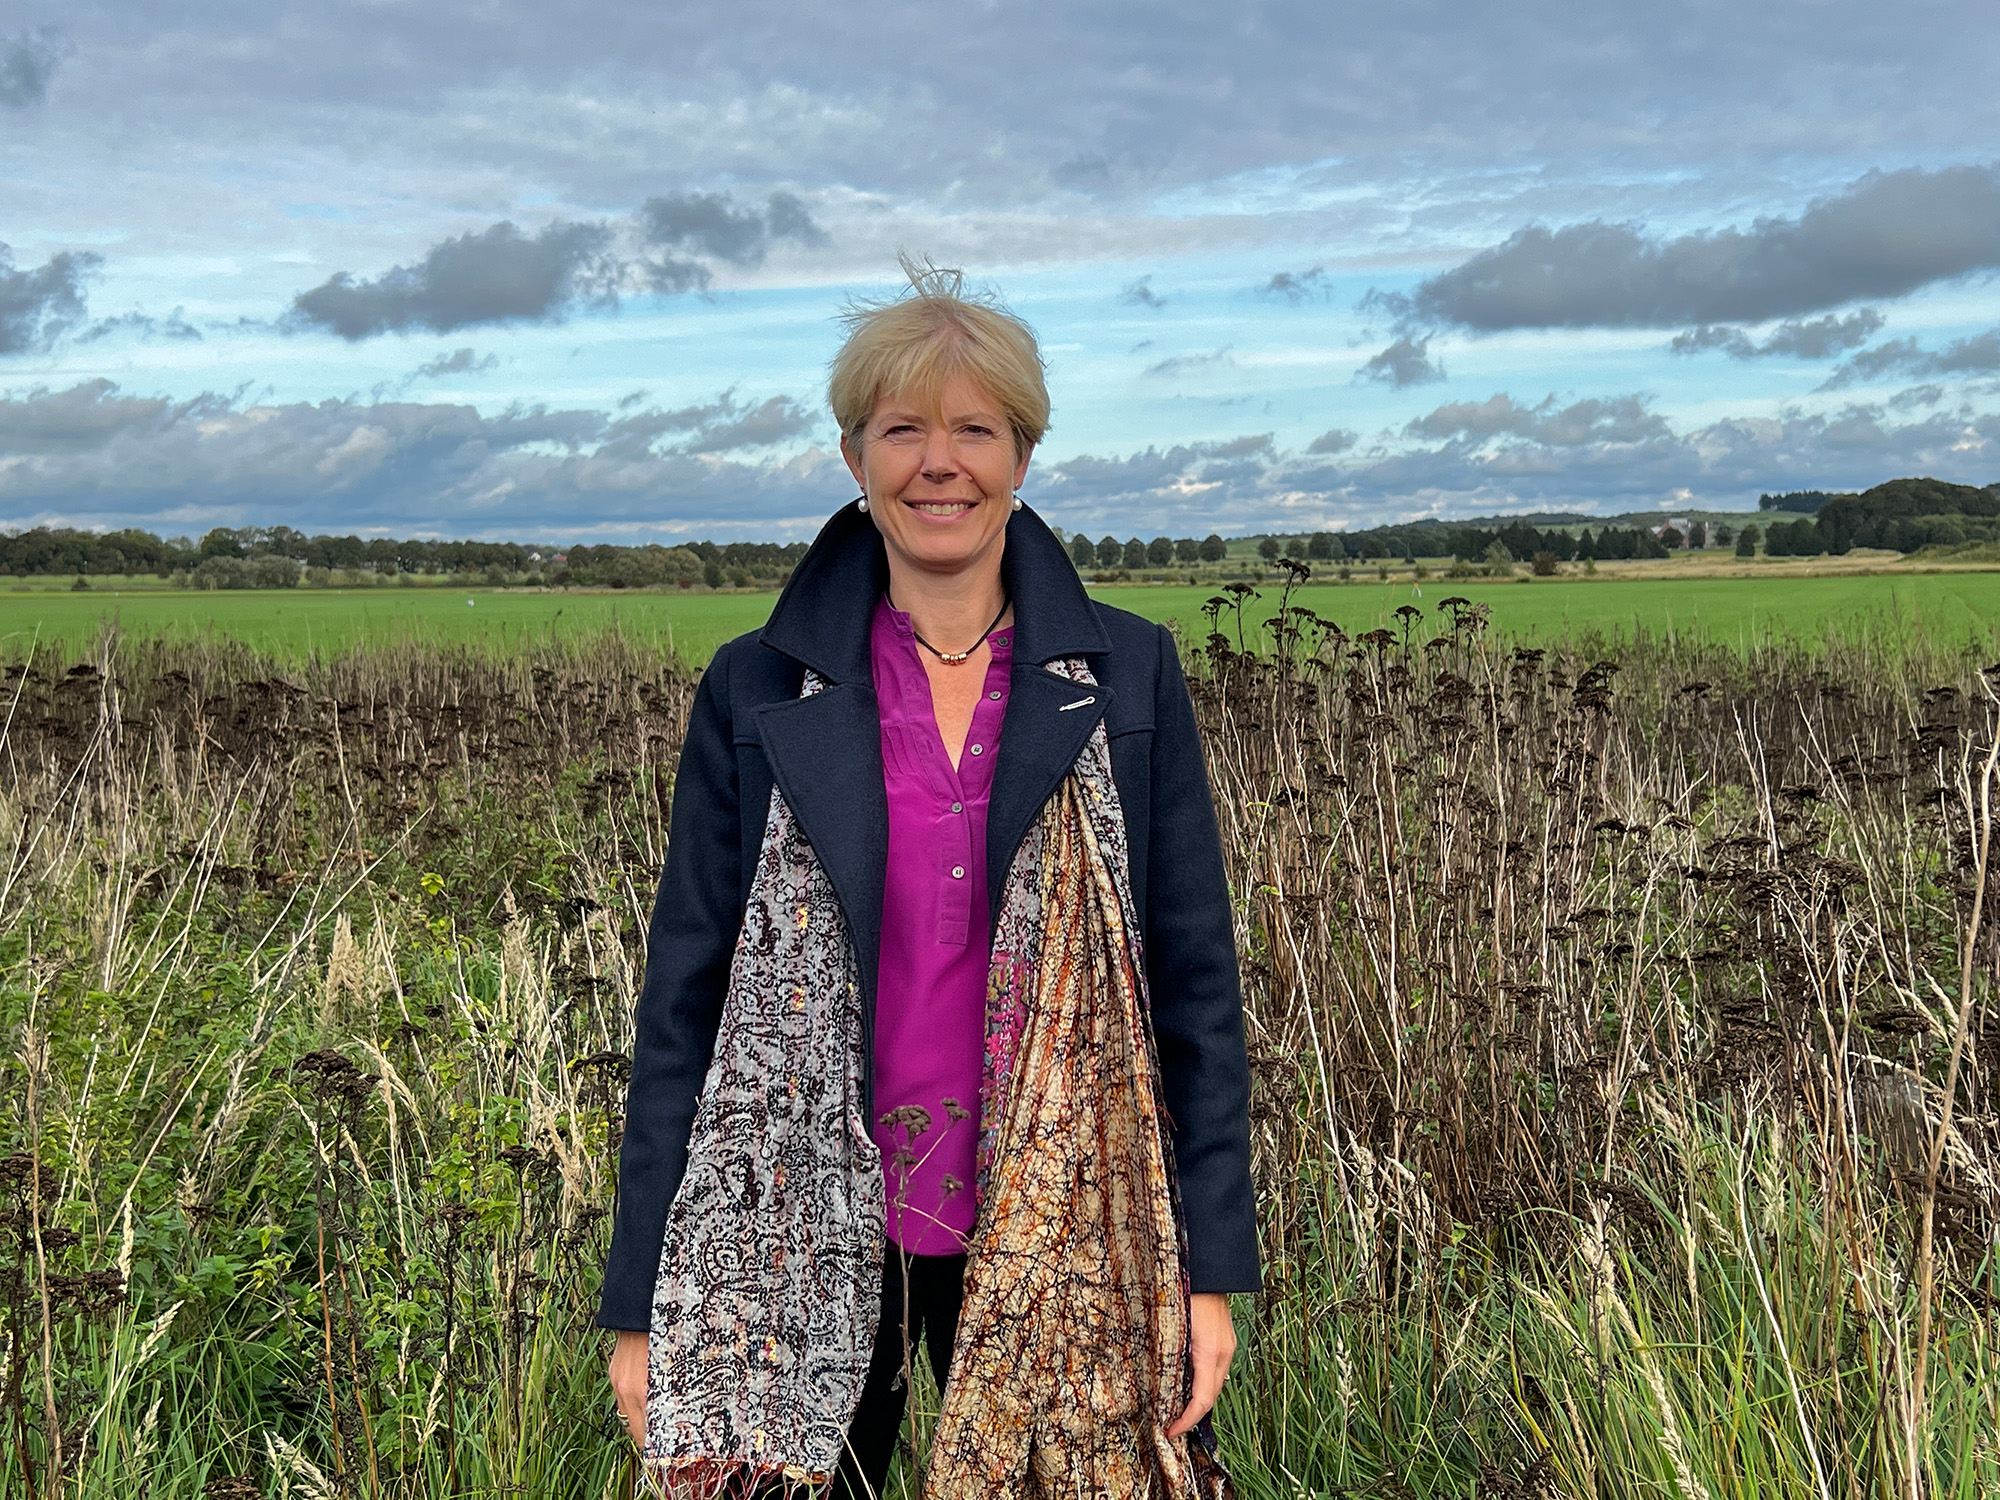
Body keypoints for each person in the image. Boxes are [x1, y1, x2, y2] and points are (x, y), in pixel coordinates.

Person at [600, 261, 1258, 1498]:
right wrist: (644, 1294)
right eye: (903, 428)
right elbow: (683, 1001)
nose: (938, 462)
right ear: (854, 456)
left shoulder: (1125, 677)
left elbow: (1193, 984)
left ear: (1023, 455)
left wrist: (1207, 1264)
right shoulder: (755, 688)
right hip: (795, 1227)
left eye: (975, 428)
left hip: (1059, 1220)